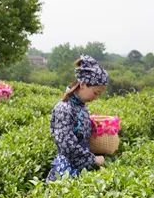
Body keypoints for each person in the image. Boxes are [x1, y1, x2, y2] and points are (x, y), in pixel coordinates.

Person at [46, 54, 109, 182]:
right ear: (83, 84)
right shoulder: (63, 108)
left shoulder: (82, 107)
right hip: (66, 171)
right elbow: (67, 145)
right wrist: (93, 160)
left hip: (81, 168)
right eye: (96, 92)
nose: (96, 97)